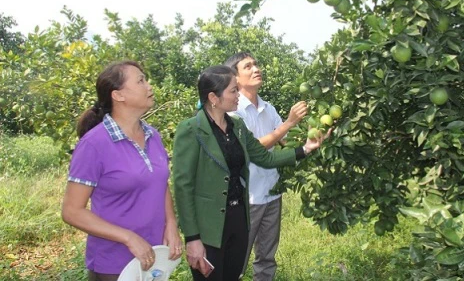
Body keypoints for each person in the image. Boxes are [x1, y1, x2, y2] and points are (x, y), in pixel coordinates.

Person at [173, 65, 330, 281]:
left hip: (239, 218)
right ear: (213, 97)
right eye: (233, 91)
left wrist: (304, 149)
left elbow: (265, 158)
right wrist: (192, 238)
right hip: (209, 225)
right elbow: (183, 187)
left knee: (232, 275)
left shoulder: (237, 126)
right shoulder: (190, 130)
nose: (238, 95)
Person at [61, 61, 183, 281]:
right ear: (118, 95)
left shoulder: (153, 136)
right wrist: (128, 238)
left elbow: (159, 183)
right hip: (114, 263)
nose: (149, 86)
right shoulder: (94, 144)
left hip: (155, 257)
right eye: (140, 80)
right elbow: (71, 211)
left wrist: (171, 224)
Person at [224, 52, 307, 280]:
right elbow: (253, 148)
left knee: (267, 258)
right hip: (246, 197)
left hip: (271, 192)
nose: (255, 69)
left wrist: (311, 142)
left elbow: (285, 140)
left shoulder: (267, 107)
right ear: (235, 77)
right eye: (247, 66)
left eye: (256, 64)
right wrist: (290, 122)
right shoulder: (233, 110)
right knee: (237, 259)